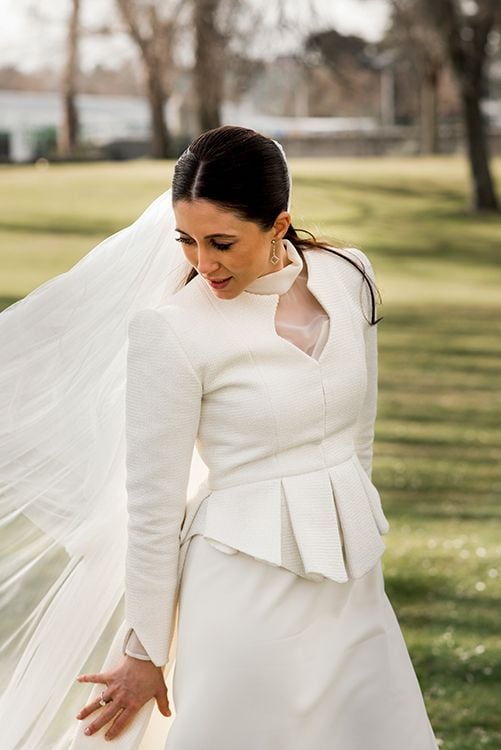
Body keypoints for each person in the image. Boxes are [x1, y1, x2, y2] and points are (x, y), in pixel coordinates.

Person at [0, 125, 439, 750]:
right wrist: (147, 650)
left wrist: (355, 528)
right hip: (240, 588)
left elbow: (357, 434)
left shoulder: (349, 277)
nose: (203, 263)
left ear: (279, 225)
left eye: (222, 242)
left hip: (353, 582)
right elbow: (154, 505)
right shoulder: (171, 330)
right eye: (186, 240)